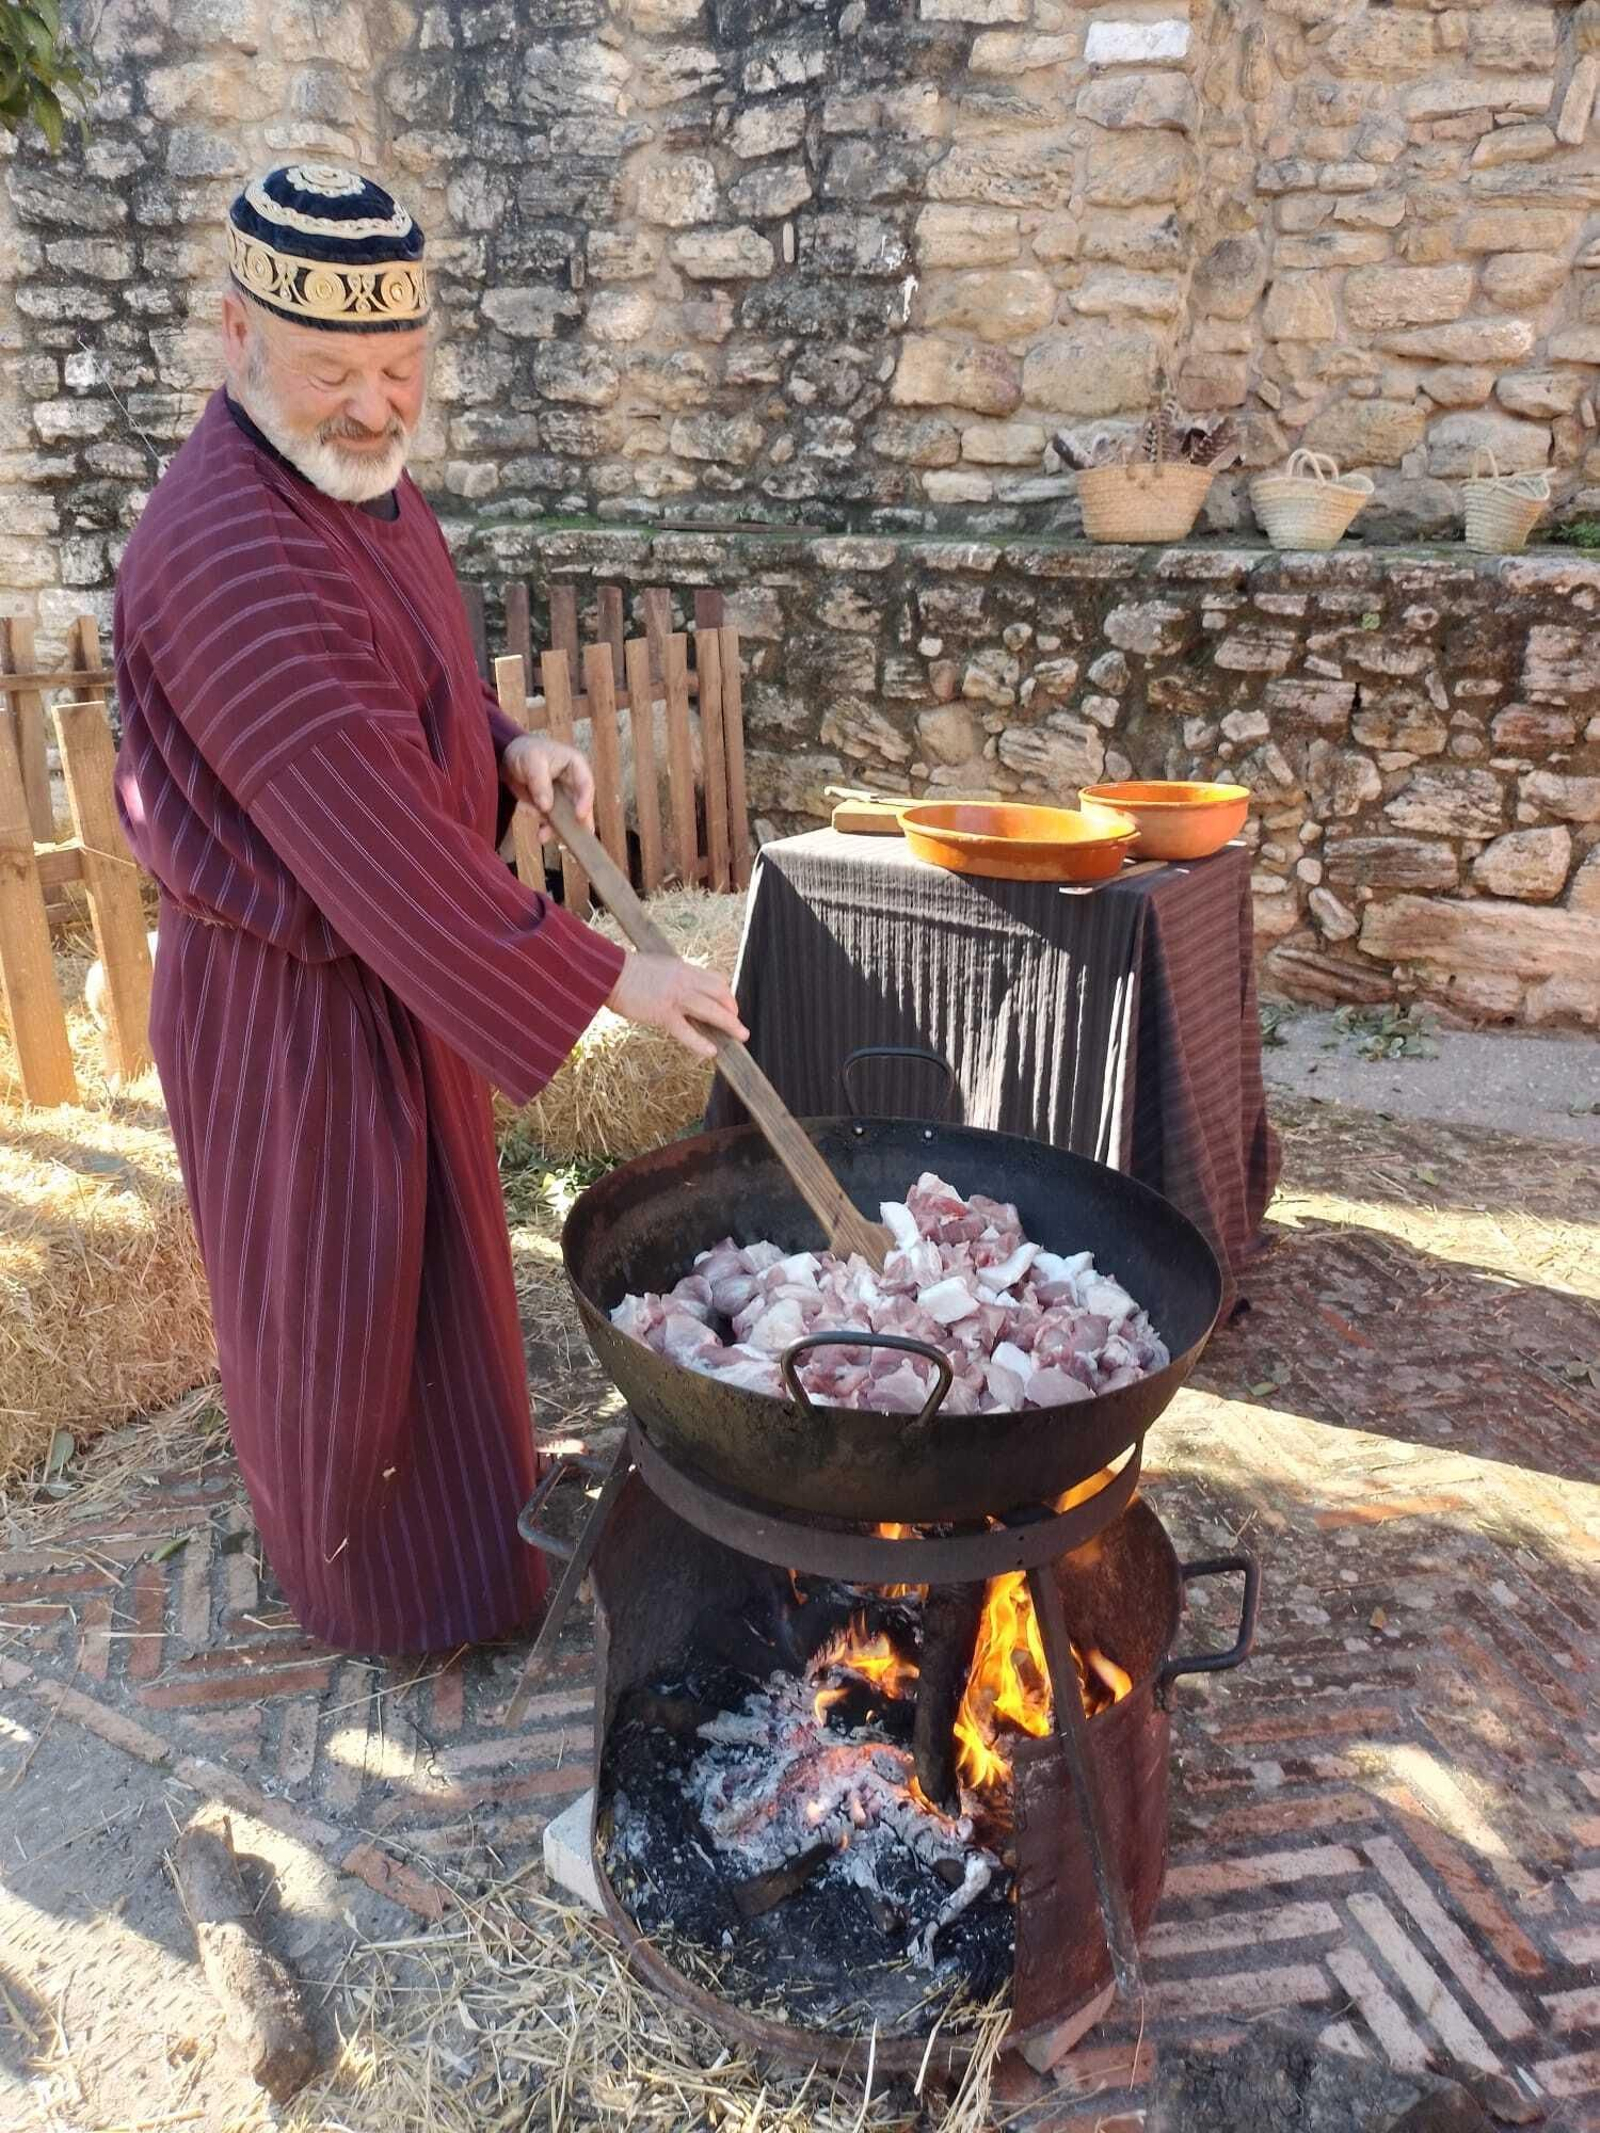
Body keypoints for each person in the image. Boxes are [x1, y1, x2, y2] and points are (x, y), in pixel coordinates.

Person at [112, 163, 745, 1656]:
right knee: (339, 1316)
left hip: (392, 972)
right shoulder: (232, 554)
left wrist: (504, 735)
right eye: (333, 371)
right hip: (295, 1006)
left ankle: (469, 1550)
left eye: (399, 371)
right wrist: (610, 978)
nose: (376, 408)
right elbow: (376, 837)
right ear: (236, 339)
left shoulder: (343, 480)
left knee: (431, 1282)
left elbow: (407, 671)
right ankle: (377, 1595)